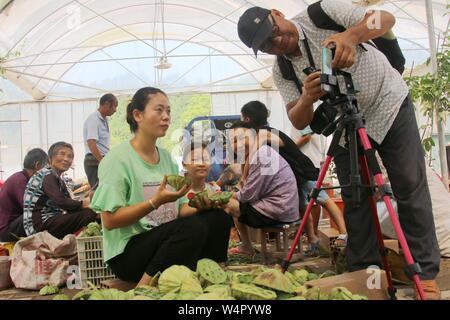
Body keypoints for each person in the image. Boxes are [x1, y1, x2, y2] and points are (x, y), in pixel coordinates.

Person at [237, 0, 440, 299]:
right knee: (355, 198)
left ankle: (425, 274)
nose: (277, 42)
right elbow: (297, 117)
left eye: (274, 31)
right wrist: (307, 97)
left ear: (277, 14)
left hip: (390, 104)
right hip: (347, 122)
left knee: (409, 185)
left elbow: (384, 18)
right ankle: (366, 277)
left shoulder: (322, 13)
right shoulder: (282, 68)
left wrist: (352, 35)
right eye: (267, 44)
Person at [90, 87, 232, 287]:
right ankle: (144, 287)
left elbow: (181, 209)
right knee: (192, 227)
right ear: (137, 115)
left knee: (219, 218)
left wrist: (204, 204)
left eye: (168, 111)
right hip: (129, 255)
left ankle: (211, 275)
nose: (166, 117)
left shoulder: (166, 157)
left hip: (164, 242)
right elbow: (110, 220)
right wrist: (154, 202)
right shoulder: (117, 160)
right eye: (158, 110)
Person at [241, 100, 346, 255]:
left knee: (323, 200)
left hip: (302, 170)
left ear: (248, 119)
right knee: (303, 206)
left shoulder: (263, 133)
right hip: (293, 174)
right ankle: (313, 241)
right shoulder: (264, 132)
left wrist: (244, 177)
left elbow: (252, 155)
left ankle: (344, 234)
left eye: (242, 118)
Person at [222, 122, 299, 257]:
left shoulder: (261, 156)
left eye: (242, 138)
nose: (238, 144)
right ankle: (246, 246)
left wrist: (226, 195)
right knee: (234, 201)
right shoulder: (258, 153)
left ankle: (243, 247)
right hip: (285, 207)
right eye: (234, 141)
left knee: (226, 204)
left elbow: (248, 196)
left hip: (278, 210)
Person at [22, 142, 98, 239]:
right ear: (50, 158)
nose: (66, 159)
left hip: (46, 221)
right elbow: (60, 201)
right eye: (62, 154)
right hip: (39, 226)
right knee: (89, 213)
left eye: (70, 156)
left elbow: (68, 202)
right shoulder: (47, 174)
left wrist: (86, 201)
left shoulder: (56, 177)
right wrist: (83, 203)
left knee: (86, 212)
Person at [182, 142, 233, 262]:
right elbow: (180, 213)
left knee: (222, 217)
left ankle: (219, 261)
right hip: (187, 241)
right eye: (195, 159)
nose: (201, 164)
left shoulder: (213, 189)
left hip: (210, 245)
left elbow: (225, 213)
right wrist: (202, 207)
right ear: (184, 164)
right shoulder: (179, 190)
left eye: (205, 159)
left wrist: (224, 205)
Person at [0, 148, 48, 241]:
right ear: (38, 165)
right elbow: (29, 207)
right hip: (6, 230)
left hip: (13, 224)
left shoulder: (24, 178)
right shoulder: (19, 180)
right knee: (38, 215)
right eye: (46, 167)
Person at [83, 93, 118, 189]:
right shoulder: (94, 119)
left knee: (105, 188)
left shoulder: (104, 119)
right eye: (114, 106)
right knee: (98, 190)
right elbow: (91, 142)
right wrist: (101, 161)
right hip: (94, 159)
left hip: (100, 158)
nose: (115, 110)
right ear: (107, 104)